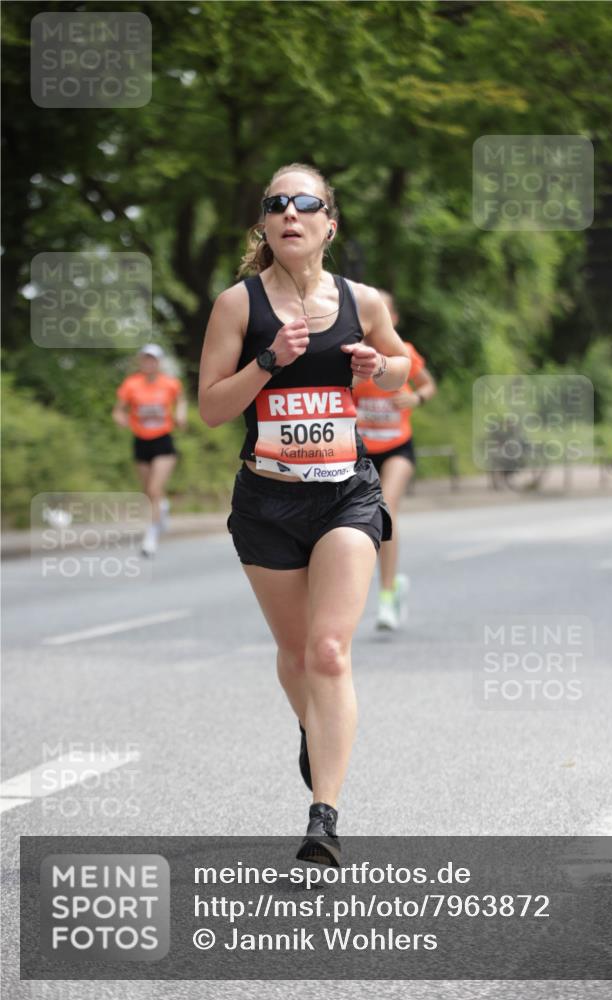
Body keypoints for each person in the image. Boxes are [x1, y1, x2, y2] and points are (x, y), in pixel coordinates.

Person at [198, 163, 410, 866]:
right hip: (266, 498)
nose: (290, 213)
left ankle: (324, 816)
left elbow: (401, 366)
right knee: (295, 658)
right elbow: (211, 409)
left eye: (305, 203)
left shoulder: (362, 300)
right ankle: (314, 728)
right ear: (263, 224)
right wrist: (268, 360)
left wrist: (373, 369)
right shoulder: (238, 306)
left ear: (329, 223)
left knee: (327, 651)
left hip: (345, 492)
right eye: (275, 204)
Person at [352, 290, 436, 630]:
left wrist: (416, 397)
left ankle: (386, 596)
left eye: (384, 311)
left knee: (385, 508)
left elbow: (429, 386)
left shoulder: (405, 354)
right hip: (360, 448)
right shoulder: (354, 354)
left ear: (393, 319)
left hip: (398, 445)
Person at [113, 344, 187, 556]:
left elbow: (180, 401)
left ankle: (150, 537)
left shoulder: (170, 384)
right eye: (145, 359)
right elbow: (118, 410)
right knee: (148, 492)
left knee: (154, 489)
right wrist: (120, 419)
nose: (149, 363)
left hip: (163, 441)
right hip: (141, 441)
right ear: (140, 362)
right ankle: (161, 508)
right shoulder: (131, 385)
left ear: (159, 362)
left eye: (152, 359)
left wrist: (181, 415)